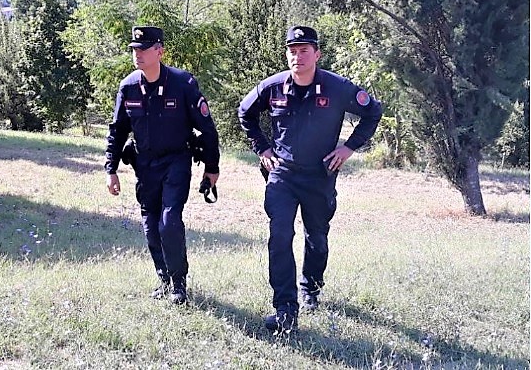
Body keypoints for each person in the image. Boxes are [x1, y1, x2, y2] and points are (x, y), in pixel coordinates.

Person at [238, 25, 382, 332]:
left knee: (317, 237)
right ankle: (285, 309)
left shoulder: (337, 87)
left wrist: (348, 147)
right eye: (292, 50)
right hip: (283, 175)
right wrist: (263, 148)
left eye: (304, 50)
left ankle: (310, 289)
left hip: (320, 175)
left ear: (317, 54)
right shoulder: (273, 86)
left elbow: (373, 112)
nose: (297, 56)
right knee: (279, 235)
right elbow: (245, 113)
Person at [105, 25, 220, 305]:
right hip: (144, 165)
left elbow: (207, 128)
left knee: (169, 222)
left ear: (159, 51)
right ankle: (164, 280)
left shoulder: (182, 83)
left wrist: (212, 167)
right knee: (150, 226)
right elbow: (117, 130)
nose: (138, 55)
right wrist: (111, 169)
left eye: (144, 49)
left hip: (176, 162)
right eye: (134, 50)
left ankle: (179, 284)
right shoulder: (129, 86)